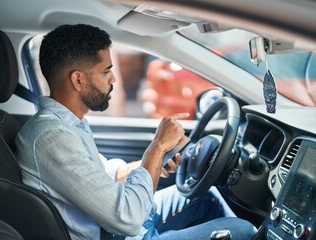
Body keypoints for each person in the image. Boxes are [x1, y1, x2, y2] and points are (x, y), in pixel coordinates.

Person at [15, 24, 257, 240]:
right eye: (105, 71)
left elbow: (105, 175)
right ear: (78, 80)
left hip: (117, 224)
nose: (113, 79)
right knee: (243, 231)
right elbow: (128, 219)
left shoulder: (67, 124)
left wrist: (151, 164)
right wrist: (157, 147)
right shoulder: (51, 137)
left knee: (207, 197)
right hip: (118, 231)